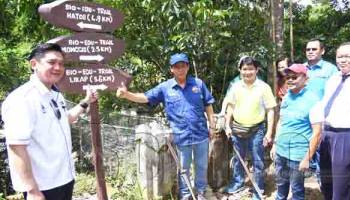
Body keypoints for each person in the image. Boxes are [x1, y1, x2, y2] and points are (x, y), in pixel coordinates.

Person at [1, 43, 98, 200]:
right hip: (43, 187)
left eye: (61, 63)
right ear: (34, 64)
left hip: (65, 179)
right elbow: (16, 147)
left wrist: (86, 101)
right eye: (52, 62)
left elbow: (63, 120)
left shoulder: (55, 95)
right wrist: (32, 190)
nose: (58, 68)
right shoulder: (22, 99)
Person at [116, 53, 215, 200]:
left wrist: (212, 126)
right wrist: (126, 95)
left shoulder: (198, 84)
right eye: (177, 67)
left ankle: (201, 193)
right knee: (184, 169)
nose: (180, 69)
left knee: (201, 166)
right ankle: (186, 195)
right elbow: (145, 97)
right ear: (172, 69)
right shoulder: (165, 87)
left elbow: (208, 105)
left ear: (187, 67)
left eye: (183, 66)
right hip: (181, 136)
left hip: (201, 134)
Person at [304, 42, 350, 200]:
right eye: (339, 56)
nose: (342, 60)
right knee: (327, 184)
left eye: (347, 56)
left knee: (343, 188)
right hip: (327, 135)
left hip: (349, 136)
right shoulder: (334, 78)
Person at [224, 56, 276, 200]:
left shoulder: (264, 87)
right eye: (245, 69)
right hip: (237, 128)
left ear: (257, 70)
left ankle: (258, 188)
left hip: (257, 129)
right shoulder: (235, 86)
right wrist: (227, 125)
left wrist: (269, 133)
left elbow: (270, 110)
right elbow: (230, 106)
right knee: (238, 158)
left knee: (258, 160)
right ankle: (238, 183)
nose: (248, 72)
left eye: (251, 69)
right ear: (240, 70)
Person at [271, 64, 322, 200]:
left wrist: (307, 158)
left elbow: (317, 133)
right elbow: (281, 122)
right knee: (281, 187)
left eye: (295, 77)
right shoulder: (287, 97)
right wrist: (275, 144)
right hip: (281, 151)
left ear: (306, 79)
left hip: (298, 154)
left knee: (297, 190)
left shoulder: (313, 100)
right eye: (288, 77)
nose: (290, 80)